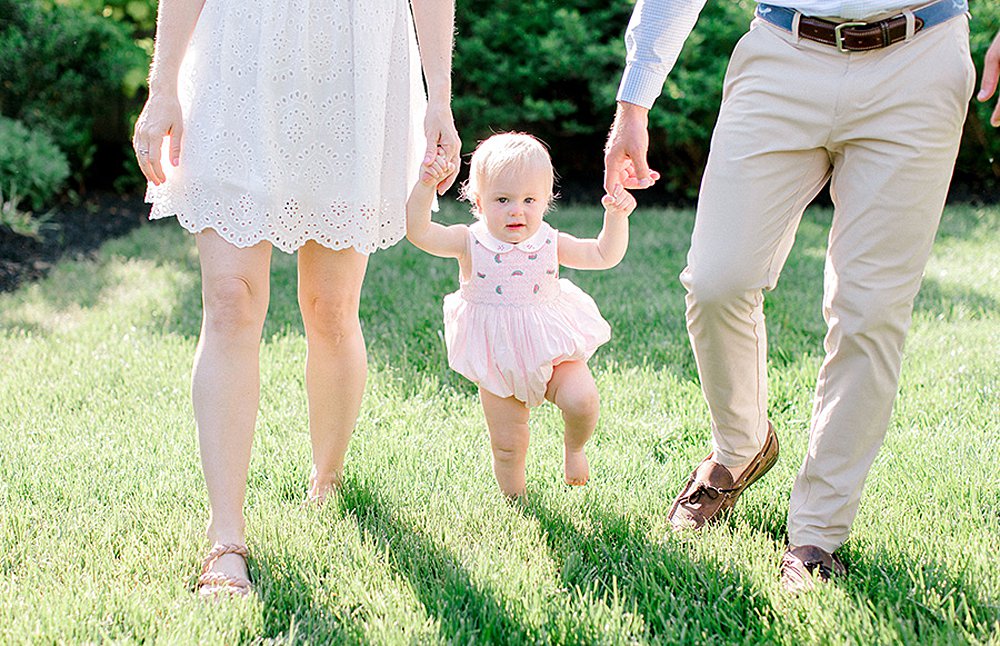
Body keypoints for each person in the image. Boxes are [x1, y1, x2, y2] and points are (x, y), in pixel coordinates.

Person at [604, 0, 1000, 592]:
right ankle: (740, 448)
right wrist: (634, 100)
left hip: (919, 60)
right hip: (782, 54)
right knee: (718, 280)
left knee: (869, 312)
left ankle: (817, 532)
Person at [132, 0, 460, 597]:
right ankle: (225, 537)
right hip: (240, 54)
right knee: (230, 302)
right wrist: (164, 85)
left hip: (355, 65)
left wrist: (440, 97)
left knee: (330, 309)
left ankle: (327, 481)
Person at [406, 134, 636, 497]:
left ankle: (574, 448)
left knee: (583, 400)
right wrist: (425, 186)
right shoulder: (469, 242)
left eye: (530, 200)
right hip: (498, 358)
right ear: (478, 203)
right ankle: (517, 501)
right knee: (508, 445)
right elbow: (418, 232)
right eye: (503, 199)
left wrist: (616, 216)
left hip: (551, 347)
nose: (517, 210)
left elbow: (603, 255)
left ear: (546, 202)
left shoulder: (549, 241)